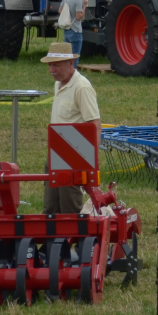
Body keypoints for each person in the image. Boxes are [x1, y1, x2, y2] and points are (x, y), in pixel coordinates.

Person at [42, 41, 101, 214]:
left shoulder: (82, 87)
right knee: (50, 207)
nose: (52, 70)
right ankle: (52, 240)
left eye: (56, 65)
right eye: (50, 65)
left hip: (74, 155)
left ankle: (76, 240)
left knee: (70, 209)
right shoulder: (58, 84)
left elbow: (95, 125)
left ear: (71, 64)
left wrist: (90, 163)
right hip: (55, 152)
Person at [61, 0, 87, 65]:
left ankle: (65, 74)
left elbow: (60, 10)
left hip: (67, 29)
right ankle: (72, 75)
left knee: (66, 57)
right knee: (74, 58)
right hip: (75, 30)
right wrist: (85, 6)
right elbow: (79, 16)